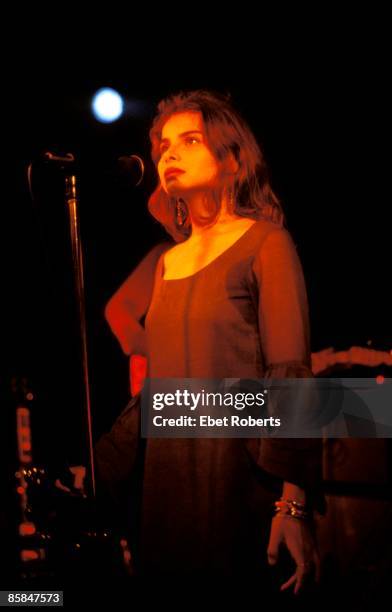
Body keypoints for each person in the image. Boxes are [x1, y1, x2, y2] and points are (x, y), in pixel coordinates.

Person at [97, 90, 324, 587]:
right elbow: (162, 393)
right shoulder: (165, 263)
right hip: (167, 489)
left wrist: (294, 504)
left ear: (232, 158)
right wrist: (98, 469)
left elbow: (289, 374)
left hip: (240, 489)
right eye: (164, 147)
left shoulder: (265, 243)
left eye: (190, 140)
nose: (170, 154)